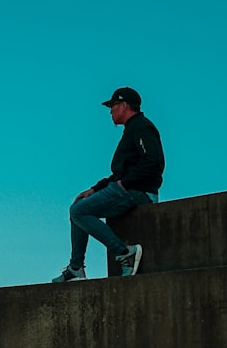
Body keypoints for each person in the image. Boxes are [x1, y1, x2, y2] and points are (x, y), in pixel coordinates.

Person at [53, 87, 165, 282]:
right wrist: (95, 189)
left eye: (113, 106)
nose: (110, 111)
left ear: (124, 106)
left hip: (139, 192)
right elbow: (119, 173)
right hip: (127, 188)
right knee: (77, 207)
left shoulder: (141, 127)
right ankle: (76, 268)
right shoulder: (131, 129)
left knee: (79, 211)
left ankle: (123, 253)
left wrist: (126, 183)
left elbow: (153, 161)